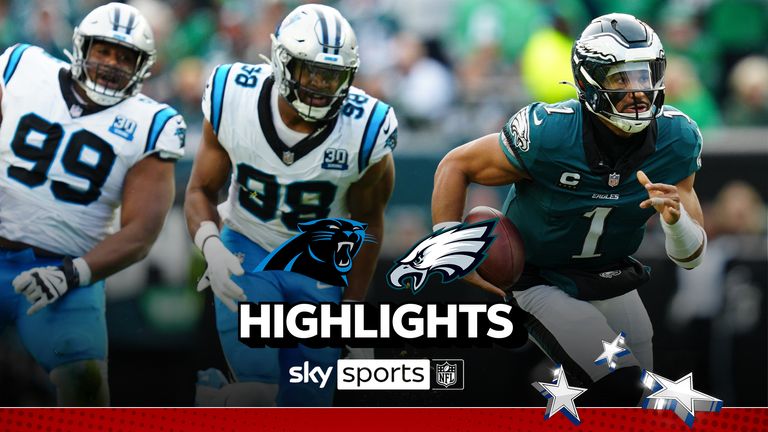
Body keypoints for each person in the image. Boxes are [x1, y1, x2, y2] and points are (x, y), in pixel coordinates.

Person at [431, 13, 706, 405]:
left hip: (608, 276)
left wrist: (676, 223)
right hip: (540, 278)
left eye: (644, 75)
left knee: (641, 392)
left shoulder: (676, 139)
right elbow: (456, 165)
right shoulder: (549, 133)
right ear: (587, 81)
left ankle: (553, 391)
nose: (638, 92)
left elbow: (692, 257)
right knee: (620, 383)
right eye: (620, 79)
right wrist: (449, 244)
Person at [185, 3, 397, 407]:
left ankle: (215, 399)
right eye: (311, 71)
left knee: (308, 406)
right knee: (260, 391)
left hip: (319, 265)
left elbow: (369, 220)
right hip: (247, 248)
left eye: (333, 76)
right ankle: (229, 398)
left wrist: (352, 313)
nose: (320, 85)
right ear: (282, 62)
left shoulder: (366, 127)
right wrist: (211, 247)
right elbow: (200, 190)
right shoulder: (234, 96)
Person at [0, 2, 185, 406]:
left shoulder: (153, 123)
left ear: (143, 65)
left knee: (85, 391)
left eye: (125, 56)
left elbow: (140, 234)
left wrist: (72, 275)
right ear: (82, 47)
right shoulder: (22, 66)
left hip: (63, 275)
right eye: (103, 50)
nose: (112, 63)